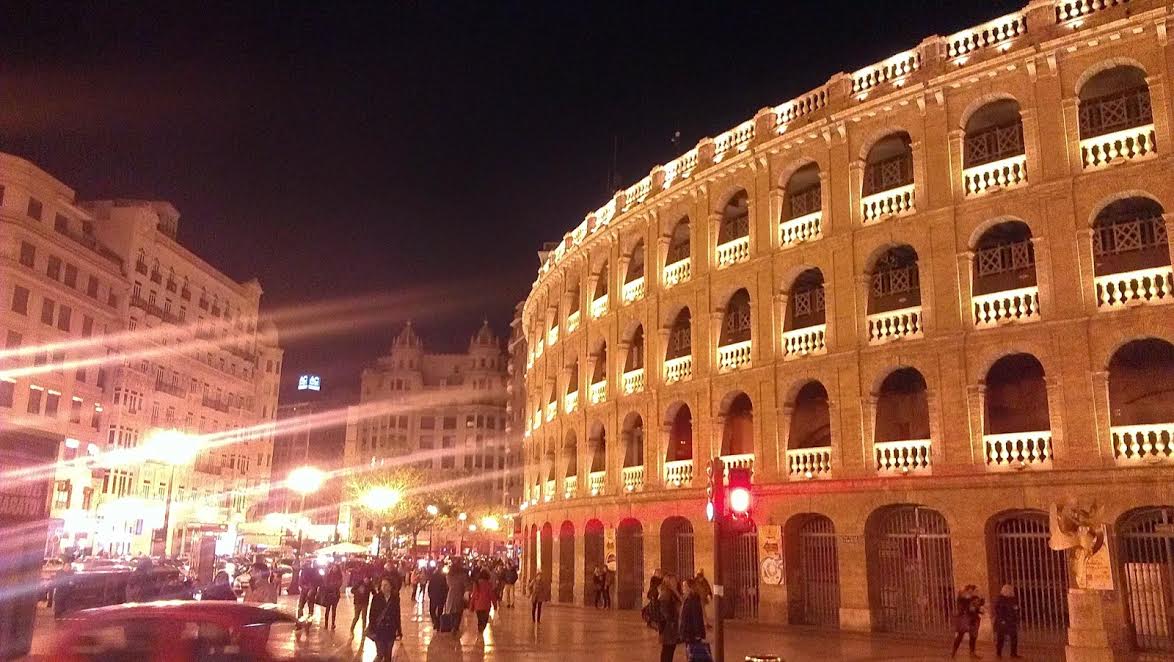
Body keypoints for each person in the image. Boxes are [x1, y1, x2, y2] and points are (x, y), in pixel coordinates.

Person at [367, 578, 401, 661]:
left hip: (390, 630)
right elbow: (372, 615)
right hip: (379, 630)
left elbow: (397, 615)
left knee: (388, 654)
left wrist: (399, 630)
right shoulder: (376, 598)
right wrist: (372, 628)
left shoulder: (395, 598)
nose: (383, 587)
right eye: (382, 585)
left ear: (390, 586)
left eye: (386, 585)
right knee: (380, 653)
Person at [951, 584, 984, 658]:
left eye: (973, 590)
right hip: (964, 618)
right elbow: (962, 607)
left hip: (973, 619)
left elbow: (978, 605)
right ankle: (954, 651)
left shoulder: (974, 598)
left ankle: (972, 652)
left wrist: (979, 607)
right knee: (960, 635)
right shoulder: (962, 598)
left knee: (973, 637)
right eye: (971, 590)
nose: (972, 592)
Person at [657, 573, 682, 662]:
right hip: (668, 627)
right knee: (667, 649)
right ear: (668, 582)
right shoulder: (666, 593)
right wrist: (671, 620)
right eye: (673, 580)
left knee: (670, 649)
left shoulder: (673, 592)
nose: (675, 582)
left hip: (672, 626)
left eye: (675, 580)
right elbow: (664, 610)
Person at [680, 578, 707, 659]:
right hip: (688, 632)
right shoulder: (688, 599)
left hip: (692, 633)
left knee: (693, 655)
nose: (683, 588)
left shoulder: (693, 599)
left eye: (685, 586)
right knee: (690, 654)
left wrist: (698, 633)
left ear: (690, 587)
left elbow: (696, 617)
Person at [993, 584, 1021, 659]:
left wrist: (1016, 609)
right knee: (1001, 638)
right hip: (1003, 621)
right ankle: (998, 653)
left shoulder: (1013, 599)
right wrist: (1002, 620)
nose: (1010, 591)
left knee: (1014, 637)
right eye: (1009, 589)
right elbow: (998, 610)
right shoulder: (1000, 599)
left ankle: (1013, 653)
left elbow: (1016, 608)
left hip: (1011, 621)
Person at [468, 569, 496, 635]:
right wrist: (495, 604)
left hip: (478, 605)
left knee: (480, 620)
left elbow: (474, 595)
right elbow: (492, 595)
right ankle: (481, 630)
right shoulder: (488, 584)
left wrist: (471, 606)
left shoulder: (476, 583)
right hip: (486, 605)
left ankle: (480, 631)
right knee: (485, 620)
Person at [443, 564, 469, 633]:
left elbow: (447, 585)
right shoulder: (463, 576)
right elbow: (466, 586)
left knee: (452, 612)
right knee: (458, 613)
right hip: (459, 595)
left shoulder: (448, 576)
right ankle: (455, 627)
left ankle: (452, 626)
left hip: (451, 595)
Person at [349, 571, 372, 638]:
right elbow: (352, 590)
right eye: (366, 579)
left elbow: (373, 592)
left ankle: (364, 630)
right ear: (364, 578)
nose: (367, 581)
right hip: (357, 603)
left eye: (368, 579)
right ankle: (351, 629)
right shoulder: (359, 583)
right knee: (356, 617)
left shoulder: (370, 585)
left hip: (365, 603)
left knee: (364, 617)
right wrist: (358, 592)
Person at [321, 563, 343, 630]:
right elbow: (325, 584)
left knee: (334, 610)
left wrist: (332, 585)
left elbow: (338, 585)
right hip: (328, 595)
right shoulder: (328, 575)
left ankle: (333, 623)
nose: (334, 569)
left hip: (335, 595)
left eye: (335, 568)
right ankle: (326, 624)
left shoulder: (339, 576)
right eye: (333, 568)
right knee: (327, 610)